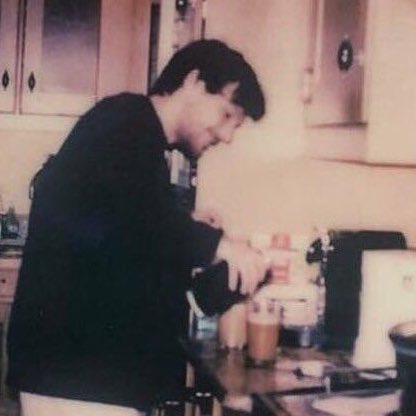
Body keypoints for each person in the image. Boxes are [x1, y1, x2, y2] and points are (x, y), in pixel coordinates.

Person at [7, 39, 267, 415]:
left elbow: (124, 225)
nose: (226, 135)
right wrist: (219, 244)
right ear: (193, 82)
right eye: (226, 115)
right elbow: (141, 216)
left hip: (83, 376)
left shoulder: (135, 135)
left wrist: (187, 227)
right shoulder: (125, 121)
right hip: (79, 380)